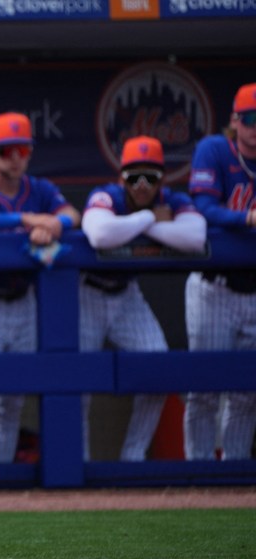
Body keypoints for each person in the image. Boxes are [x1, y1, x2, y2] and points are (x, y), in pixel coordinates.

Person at [0, 112, 80, 463]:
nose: (15, 158)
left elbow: (73, 214)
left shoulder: (39, 189)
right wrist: (25, 219)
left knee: (15, 394)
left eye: (22, 150)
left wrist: (55, 224)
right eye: (7, 150)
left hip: (22, 299)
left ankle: (1, 472)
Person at [80, 136, 206, 461]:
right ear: (121, 177)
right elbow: (99, 234)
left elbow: (195, 237)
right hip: (88, 293)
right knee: (77, 384)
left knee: (157, 367)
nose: (141, 185)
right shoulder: (106, 195)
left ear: (161, 179)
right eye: (133, 176)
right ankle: (76, 464)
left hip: (126, 296)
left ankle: (132, 458)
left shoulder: (172, 199)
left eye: (149, 177)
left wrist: (139, 226)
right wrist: (150, 219)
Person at [186, 82, 256, 461]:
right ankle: (196, 474)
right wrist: (247, 217)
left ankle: (235, 473)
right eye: (250, 119)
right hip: (215, 288)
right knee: (204, 387)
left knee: (248, 390)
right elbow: (203, 208)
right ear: (235, 120)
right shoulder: (214, 149)